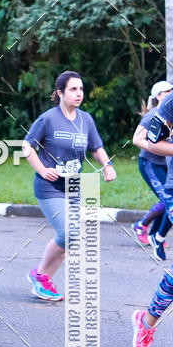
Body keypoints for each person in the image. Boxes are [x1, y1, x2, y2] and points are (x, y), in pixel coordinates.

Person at [23, 70, 116, 300]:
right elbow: (27, 146)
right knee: (68, 232)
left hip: (73, 186)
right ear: (60, 93)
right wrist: (42, 170)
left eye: (81, 89)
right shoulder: (48, 119)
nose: (79, 93)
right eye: (73, 89)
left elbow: (96, 147)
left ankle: (42, 277)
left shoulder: (86, 120)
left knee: (71, 238)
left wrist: (107, 165)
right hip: (49, 187)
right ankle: (40, 277)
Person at [131, 80, 173, 258]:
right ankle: (141, 225)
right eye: (167, 91)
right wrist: (157, 148)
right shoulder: (154, 114)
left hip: (163, 163)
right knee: (166, 199)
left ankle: (156, 235)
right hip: (149, 163)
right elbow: (137, 139)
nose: (170, 93)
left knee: (167, 200)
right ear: (159, 96)